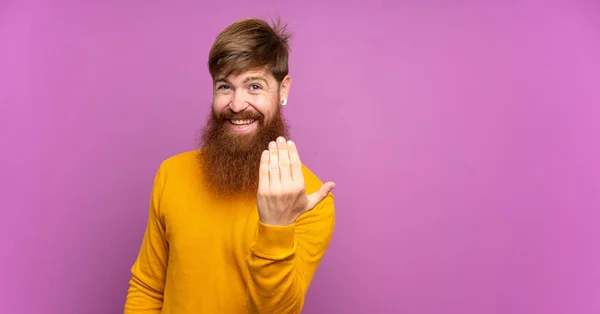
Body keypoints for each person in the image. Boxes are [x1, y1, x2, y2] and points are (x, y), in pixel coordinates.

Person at [124, 17, 336, 314]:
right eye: (225, 86)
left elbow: (278, 311)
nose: (237, 105)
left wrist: (276, 226)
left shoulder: (311, 201)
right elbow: (147, 289)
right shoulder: (171, 174)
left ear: (283, 89)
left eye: (254, 86)